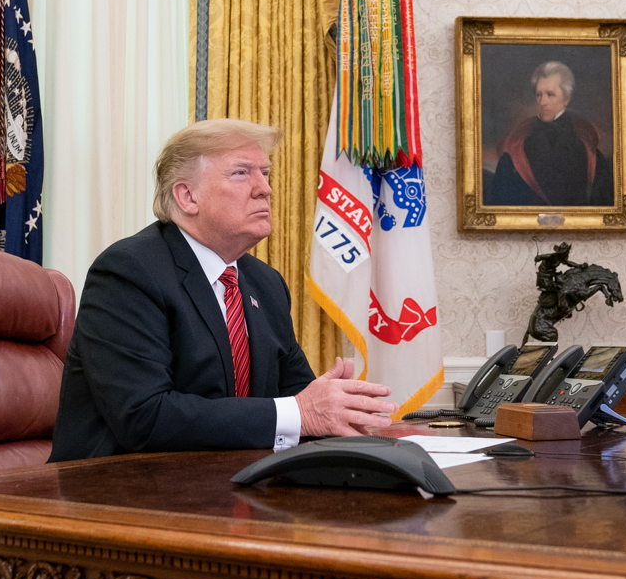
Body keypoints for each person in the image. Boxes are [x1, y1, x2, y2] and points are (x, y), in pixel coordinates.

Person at [50, 119, 395, 461]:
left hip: (228, 485)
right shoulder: (129, 272)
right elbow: (145, 416)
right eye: (242, 173)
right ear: (187, 196)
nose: (265, 188)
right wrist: (302, 413)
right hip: (113, 494)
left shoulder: (266, 284)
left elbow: (295, 397)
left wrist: (338, 410)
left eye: (265, 172)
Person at [487, 61, 614, 207]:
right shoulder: (515, 152)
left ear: (566, 99)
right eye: (539, 95)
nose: (543, 102)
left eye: (550, 94)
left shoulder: (589, 152)